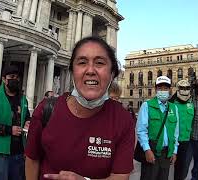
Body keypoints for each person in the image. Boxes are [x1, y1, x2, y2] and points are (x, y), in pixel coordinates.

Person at [25, 36, 135, 180]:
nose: (90, 70)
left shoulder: (123, 119)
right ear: (72, 72)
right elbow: (32, 159)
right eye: (82, 62)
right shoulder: (46, 109)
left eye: (100, 63)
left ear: (112, 74)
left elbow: (121, 176)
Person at [0, 65, 30, 180]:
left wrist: (28, 122)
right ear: (3, 79)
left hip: (19, 151)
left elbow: (27, 116)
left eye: (17, 77)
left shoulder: (23, 99)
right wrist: (8, 129)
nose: (15, 80)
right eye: (11, 77)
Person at [136, 75, 179, 180]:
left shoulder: (174, 108)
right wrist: (147, 150)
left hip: (166, 154)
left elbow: (176, 132)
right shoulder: (147, 105)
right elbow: (141, 130)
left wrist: (174, 151)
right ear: (156, 89)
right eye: (160, 88)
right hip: (152, 151)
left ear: (170, 89)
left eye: (166, 88)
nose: (163, 91)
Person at [169, 79, 194, 180]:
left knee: (182, 168)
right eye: (182, 88)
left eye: (187, 88)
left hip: (185, 141)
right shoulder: (171, 104)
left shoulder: (191, 104)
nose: (185, 90)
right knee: (166, 168)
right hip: (172, 141)